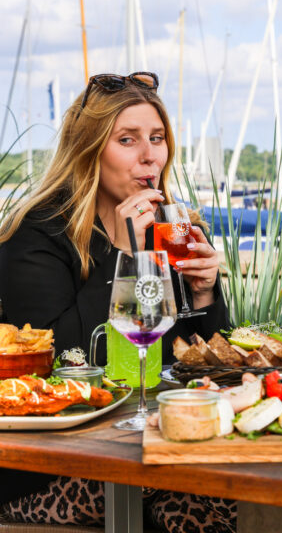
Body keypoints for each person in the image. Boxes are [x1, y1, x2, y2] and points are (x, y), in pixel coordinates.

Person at [0, 72, 237, 532]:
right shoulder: (37, 233)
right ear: (89, 149)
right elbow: (62, 359)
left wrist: (206, 293)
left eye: (157, 138)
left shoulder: (170, 230)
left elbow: (204, 360)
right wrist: (124, 261)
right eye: (127, 139)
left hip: (151, 437)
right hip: (54, 464)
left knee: (218, 497)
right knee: (193, 490)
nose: (150, 154)